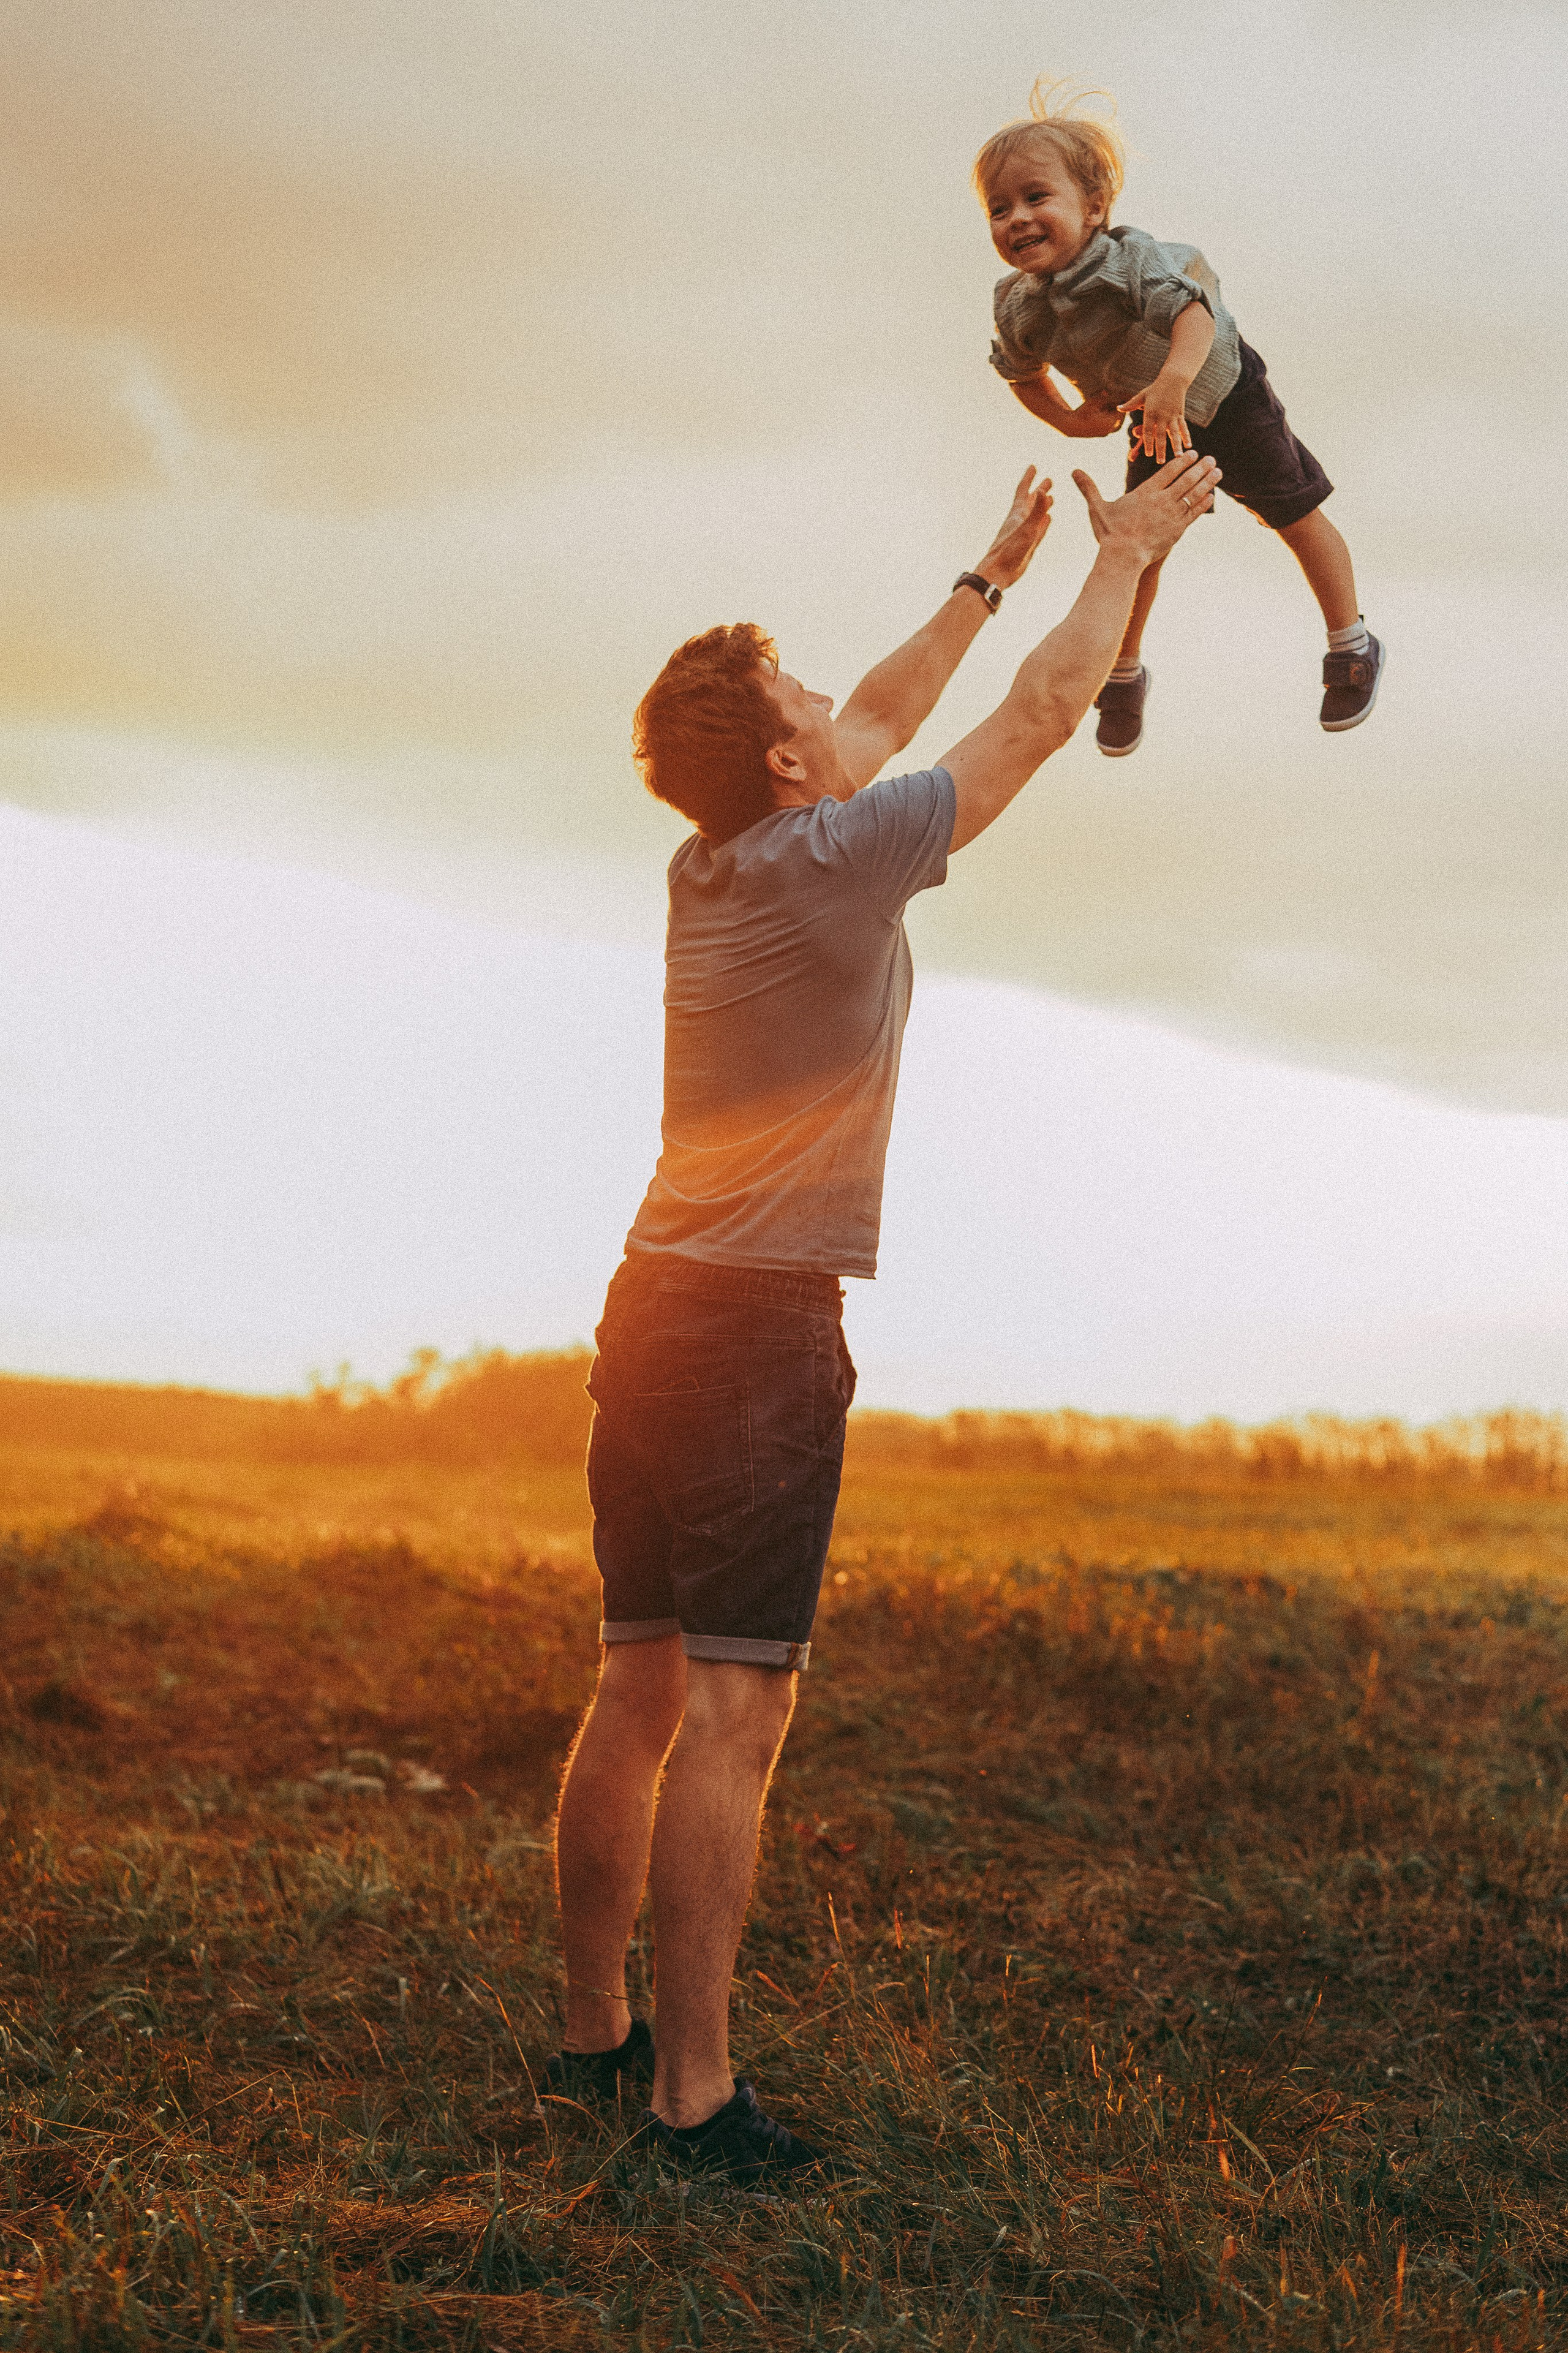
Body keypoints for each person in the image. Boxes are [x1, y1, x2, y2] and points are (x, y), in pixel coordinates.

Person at [546, 443, 1221, 2188]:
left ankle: (590, 2036)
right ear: (789, 759)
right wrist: (1129, 553)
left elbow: (889, 704)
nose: (842, 705)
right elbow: (1043, 711)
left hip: (648, 1306)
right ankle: (693, 2103)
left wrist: (988, 574)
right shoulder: (843, 858)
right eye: (807, 700)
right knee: (736, 1718)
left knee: (634, 1684)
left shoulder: (715, 864)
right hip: (762, 1334)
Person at [978, 81, 1383, 757]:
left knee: (1292, 509)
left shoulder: (1132, 262)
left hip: (1224, 392)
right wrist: (1069, 421)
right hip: (1155, 423)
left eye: (1036, 197)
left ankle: (1351, 642)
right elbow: (1020, 372)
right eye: (998, 208)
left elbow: (1194, 315)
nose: (1016, 218)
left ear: (1094, 207)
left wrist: (1171, 383)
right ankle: (1123, 672)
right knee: (1139, 544)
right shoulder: (1019, 306)